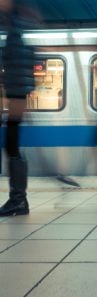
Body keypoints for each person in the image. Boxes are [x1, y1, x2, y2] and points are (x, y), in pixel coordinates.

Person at [0, 0, 36, 216]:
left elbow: (16, 68)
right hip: (16, 94)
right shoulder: (15, 28)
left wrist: (12, 101)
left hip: (15, 95)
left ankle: (18, 199)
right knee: (11, 147)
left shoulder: (14, 31)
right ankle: (18, 199)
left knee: (12, 147)